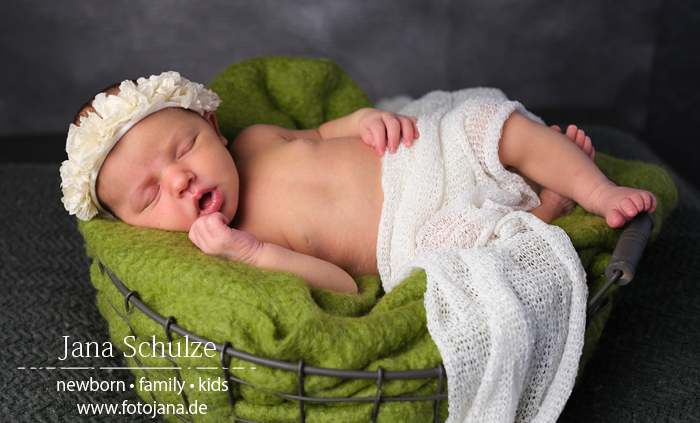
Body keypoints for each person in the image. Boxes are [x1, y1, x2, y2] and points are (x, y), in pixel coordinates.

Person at [61, 72, 656, 294]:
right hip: (410, 231)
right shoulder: (238, 247)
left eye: (184, 148)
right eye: (150, 195)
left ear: (213, 126)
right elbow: (341, 286)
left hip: (418, 160)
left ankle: (596, 190)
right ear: (134, 226)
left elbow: (324, 132)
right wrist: (251, 252)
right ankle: (544, 206)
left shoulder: (258, 140)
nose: (179, 178)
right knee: (458, 260)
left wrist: (366, 121)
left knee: (486, 122)